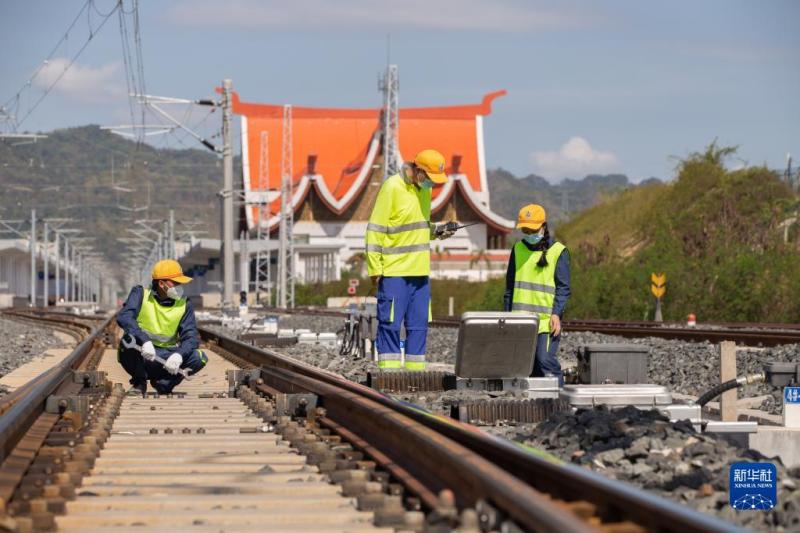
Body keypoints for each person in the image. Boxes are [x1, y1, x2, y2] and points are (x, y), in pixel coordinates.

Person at [366, 149, 456, 371]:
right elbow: (375, 229)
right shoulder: (392, 187)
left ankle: (415, 375)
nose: (432, 185)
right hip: (394, 271)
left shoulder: (423, 192)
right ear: (418, 171)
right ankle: (389, 374)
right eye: (431, 179)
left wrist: (440, 231)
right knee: (390, 324)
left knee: (418, 326)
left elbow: (419, 227)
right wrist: (375, 267)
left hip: (420, 272)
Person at [117, 259, 208, 395]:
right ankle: (139, 382)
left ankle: (164, 384)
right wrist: (145, 341)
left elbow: (191, 337)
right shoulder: (140, 294)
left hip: (167, 357)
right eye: (175, 282)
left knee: (199, 357)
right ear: (161, 283)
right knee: (126, 344)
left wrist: (179, 354)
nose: (179, 286)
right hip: (141, 354)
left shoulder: (184, 303)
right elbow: (124, 317)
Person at [503, 204, 570, 386]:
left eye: (532, 229)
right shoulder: (517, 250)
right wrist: (505, 317)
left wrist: (557, 313)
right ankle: (535, 405)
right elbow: (509, 289)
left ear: (543, 226)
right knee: (527, 366)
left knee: (545, 360)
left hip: (545, 322)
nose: (529, 233)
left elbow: (563, 288)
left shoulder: (558, 251)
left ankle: (560, 400)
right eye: (525, 229)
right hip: (520, 321)